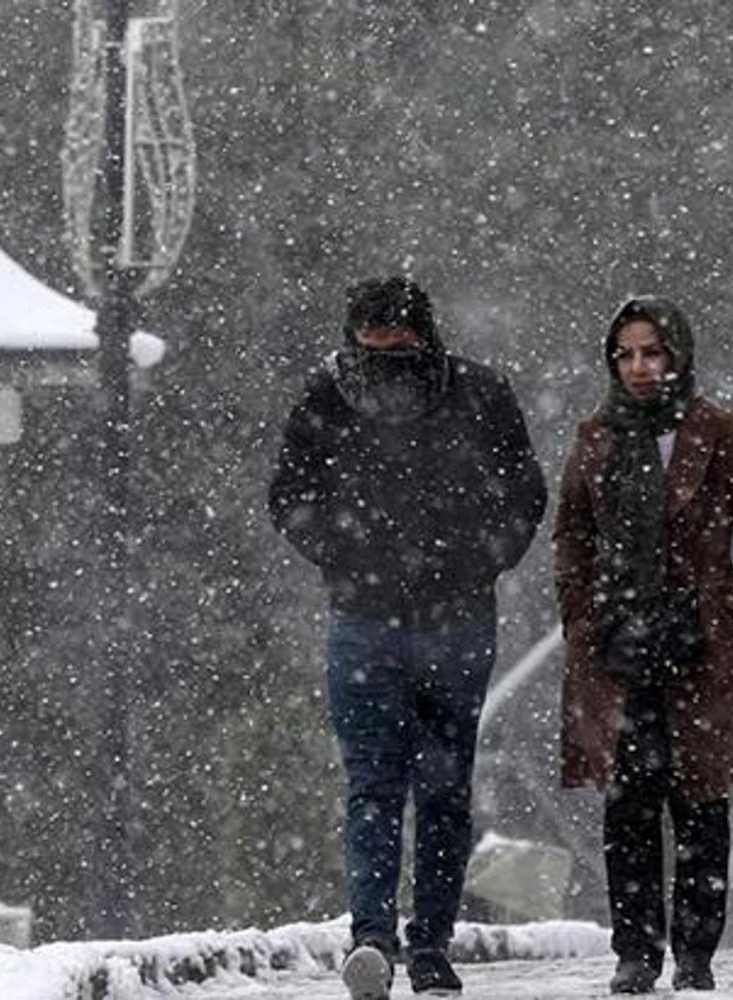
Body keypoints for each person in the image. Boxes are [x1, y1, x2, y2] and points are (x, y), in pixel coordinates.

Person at [268, 276, 546, 999]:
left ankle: (407, 939)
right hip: (386, 617)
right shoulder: (336, 397)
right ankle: (391, 940)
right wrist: (362, 556)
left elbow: (522, 495)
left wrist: (463, 561)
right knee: (400, 786)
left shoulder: (473, 396)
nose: (383, 362)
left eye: (395, 345)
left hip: (427, 617)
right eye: (373, 347)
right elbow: (291, 496)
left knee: (413, 789)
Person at [555, 295, 733, 994]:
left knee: (701, 804)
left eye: (651, 352)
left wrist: (712, 613)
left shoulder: (717, 432)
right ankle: (636, 952)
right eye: (625, 353)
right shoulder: (596, 434)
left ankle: (694, 955)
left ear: (677, 354)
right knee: (628, 805)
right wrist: (587, 621)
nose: (638, 367)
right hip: (619, 649)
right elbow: (573, 535)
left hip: (702, 648)